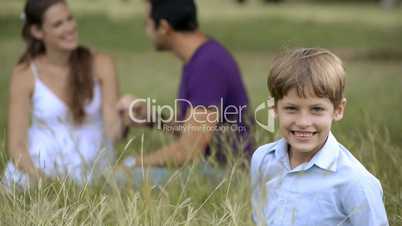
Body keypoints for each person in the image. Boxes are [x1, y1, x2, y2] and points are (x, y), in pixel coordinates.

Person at [250, 48, 389, 225]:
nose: (303, 122)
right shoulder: (262, 159)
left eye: (316, 109)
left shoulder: (355, 181)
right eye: (291, 108)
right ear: (274, 109)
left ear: (338, 110)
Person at [117, 0, 253, 179]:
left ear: (164, 27)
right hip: (213, 167)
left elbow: (189, 149)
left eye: (147, 24)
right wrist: (154, 119)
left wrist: (136, 163)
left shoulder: (208, 65)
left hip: (227, 174)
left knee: (120, 178)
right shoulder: (203, 57)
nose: (147, 31)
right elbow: (194, 130)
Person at [3, 0, 125, 190]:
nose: (69, 27)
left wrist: (128, 117)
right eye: (58, 24)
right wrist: (47, 184)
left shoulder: (101, 63)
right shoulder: (25, 72)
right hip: (40, 169)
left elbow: (113, 131)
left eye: (69, 19)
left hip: (91, 168)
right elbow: (16, 146)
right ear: (37, 31)